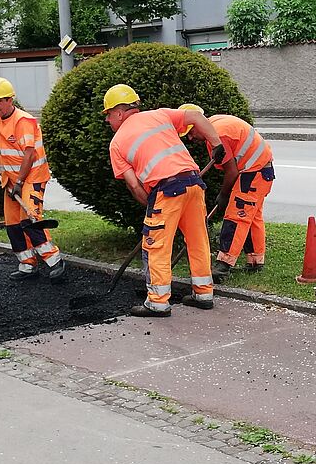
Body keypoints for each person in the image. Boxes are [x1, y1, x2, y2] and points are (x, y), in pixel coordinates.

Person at [103, 84, 230, 318]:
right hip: (193, 184)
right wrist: (216, 143)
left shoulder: (117, 143)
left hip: (166, 190)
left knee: (155, 245)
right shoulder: (159, 115)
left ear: (119, 113)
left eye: (108, 115)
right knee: (198, 240)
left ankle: (157, 302)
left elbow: (133, 185)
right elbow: (195, 115)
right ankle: (204, 294)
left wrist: (151, 205)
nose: (108, 121)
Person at [177, 104, 275, 279]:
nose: (191, 138)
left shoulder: (219, 135)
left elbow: (232, 171)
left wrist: (223, 195)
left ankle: (223, 265)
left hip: (253, 173)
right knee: (251, 217)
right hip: (260, 170)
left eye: (191, 133)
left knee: (237, 217)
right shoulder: (215, 125)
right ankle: (255, 261)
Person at [0, 77, 66, 283]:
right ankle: (27, 264)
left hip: (32, 177)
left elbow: (29, 155)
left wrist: (20, 183)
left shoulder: (23, 122)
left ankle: (55, 261)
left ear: (10, 100)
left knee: (30, 220)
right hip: (11, 180)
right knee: (13, 225)